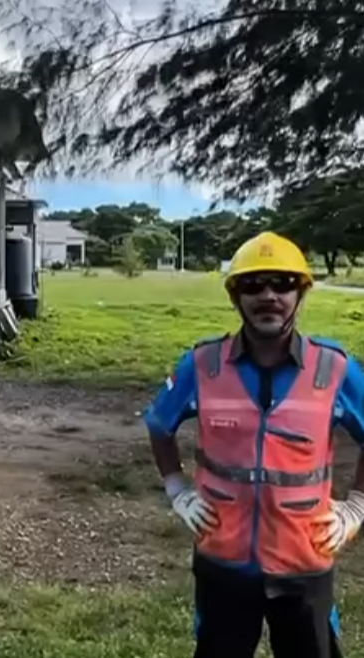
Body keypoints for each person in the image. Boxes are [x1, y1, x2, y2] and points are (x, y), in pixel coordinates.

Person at [144, 231, 364, 658]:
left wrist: (357, 506)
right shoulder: (202, 364)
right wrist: (177, 491)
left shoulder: (334, 367)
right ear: (235, 296)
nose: (268, 295)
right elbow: (159, 424)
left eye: (283, 283)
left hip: (304, 561)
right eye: (253, 285)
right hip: (223, 560)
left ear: (301, 294)